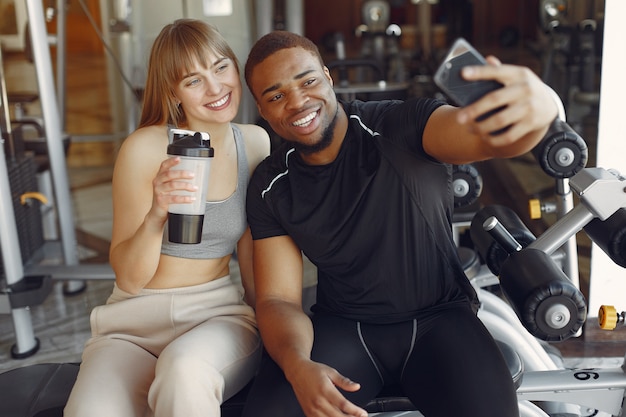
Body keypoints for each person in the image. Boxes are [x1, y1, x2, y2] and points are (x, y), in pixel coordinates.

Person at [240, 31, 559, 417]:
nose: (296, 102)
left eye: (307, 81)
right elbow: (278, 300)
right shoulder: (272, 184)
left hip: (440, 321)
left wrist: (540, 106)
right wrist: (297, 365)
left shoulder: (401, 125)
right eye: (275, 96)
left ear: (327, 76)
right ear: (260, 107)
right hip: (344, 329)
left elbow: (486, 138)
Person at [64, 19, 270, 417]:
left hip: (216, 316)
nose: (215, 88)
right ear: (173, 93)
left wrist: (276, 335)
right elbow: (129, 278)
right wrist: (158, 212)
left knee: (185, 372)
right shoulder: (144, 148)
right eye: (192, 80)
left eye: (220, 67)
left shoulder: (256, 143)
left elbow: (252, 257)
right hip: (131, 325)